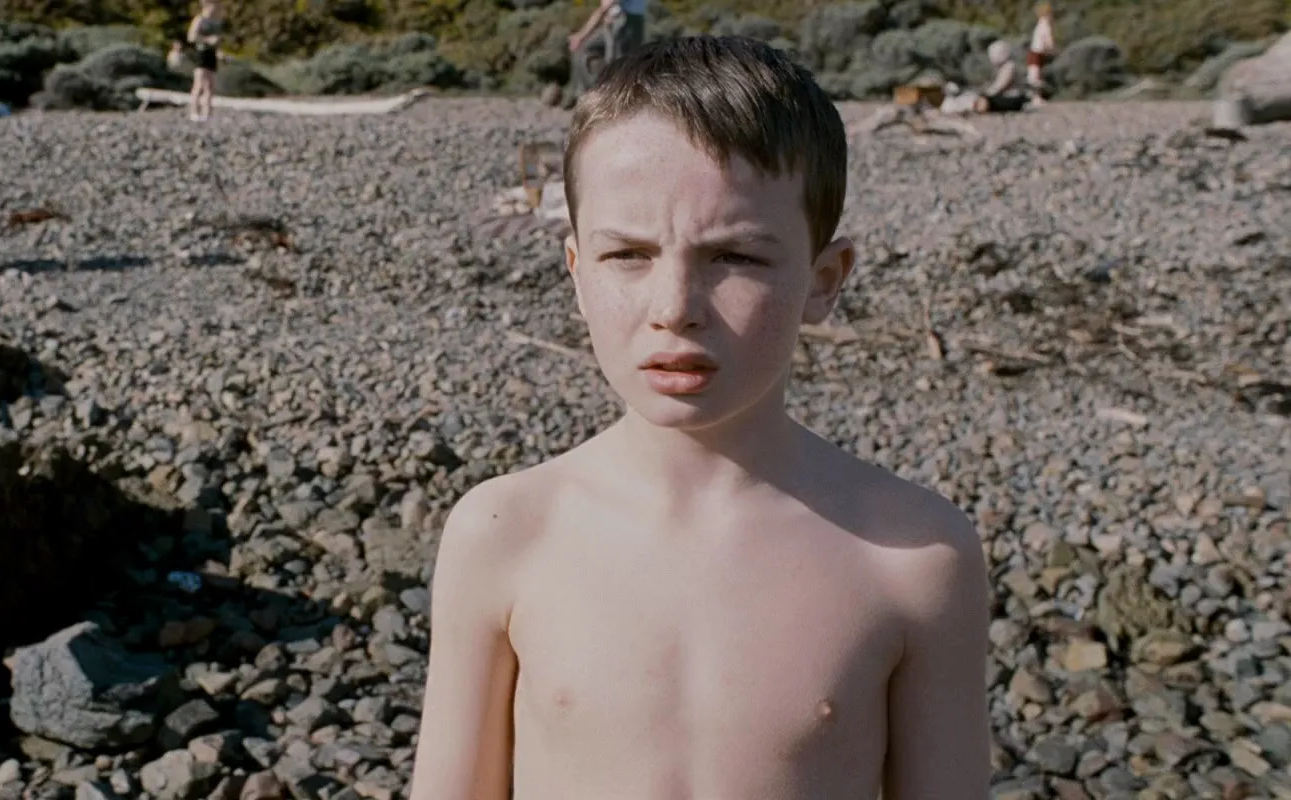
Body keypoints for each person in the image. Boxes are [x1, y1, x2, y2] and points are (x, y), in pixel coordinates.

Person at [407, 36, 991, 800]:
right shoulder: (504, 533)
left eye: (736, 258)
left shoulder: (914, 555)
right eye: (628, 255)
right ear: (576, 272)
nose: (675, 308)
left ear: (824, 279)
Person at [566, 0, 647, 101]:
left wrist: (580, 36)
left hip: (627, 21)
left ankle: (611, 97)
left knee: (619, 65)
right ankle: (593, 93)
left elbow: (605, 6)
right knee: (588, 50)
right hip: (618, 19)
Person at [186, 0, 226, 122]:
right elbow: (191, 37)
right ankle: (194, 112)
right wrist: (208, 40)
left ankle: (207, 114)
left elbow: (217, 43)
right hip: (201, 54)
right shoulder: (200, 20)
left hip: (211, 55)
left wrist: (220, 53)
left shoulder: (217, 22)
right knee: (199, 84)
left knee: (210, 86)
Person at [1027, 3, 1056, 106]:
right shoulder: (1044, 24)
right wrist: (1052, 49)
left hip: (1037, 53)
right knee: (1035, 77)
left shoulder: (1041, 23)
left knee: (1036, 76)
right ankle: (1034, 97)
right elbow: (1047, 39)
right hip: (1036, 53)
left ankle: (1036, 97)